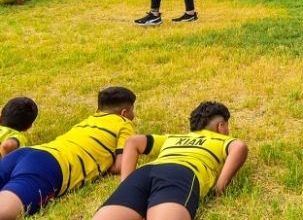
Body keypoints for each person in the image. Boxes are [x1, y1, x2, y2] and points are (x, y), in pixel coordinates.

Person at [93, 101, 248, 220]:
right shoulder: (221, 140)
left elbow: (133, 141)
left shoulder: (173, 138)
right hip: (181, 174)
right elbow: (239, 147)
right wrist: (219, 188)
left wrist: (125, 182)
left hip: (144, 173)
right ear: (221, 126)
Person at [0, 87, 136, 218]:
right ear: (124, 113)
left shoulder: (87, 121)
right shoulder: (124, 123)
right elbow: (121, 165)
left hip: (24, 154)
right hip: (50, 166)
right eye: (133, 110)